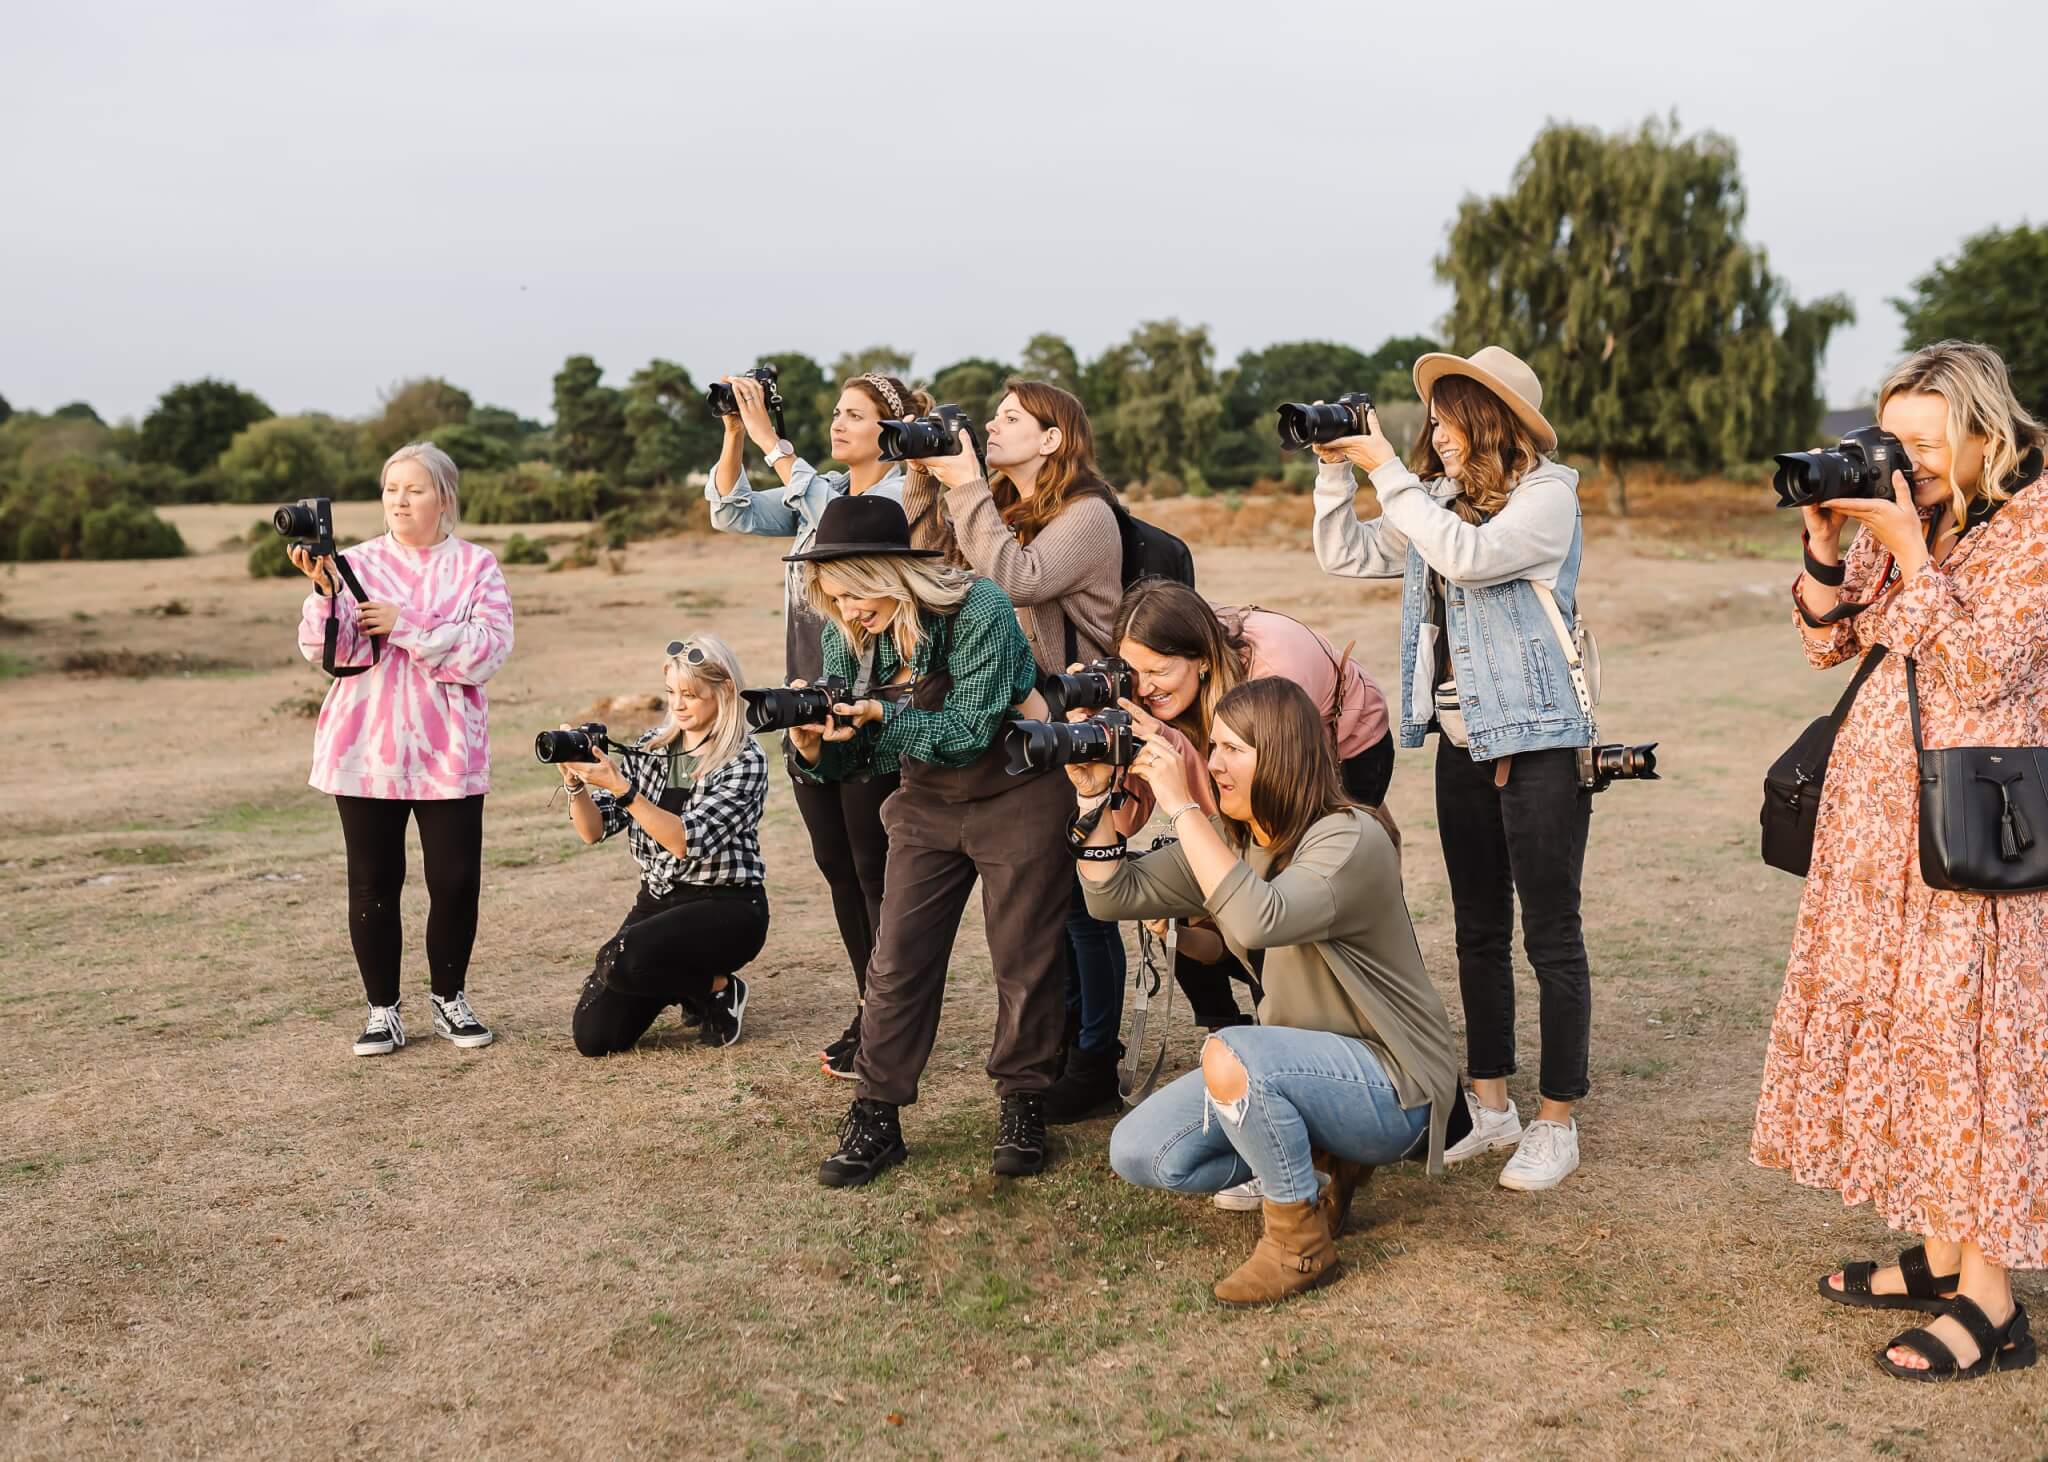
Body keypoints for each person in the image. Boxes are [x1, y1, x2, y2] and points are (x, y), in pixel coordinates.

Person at [1753, 340, 2048, 1382]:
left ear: (1985, 434)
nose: (1906, 463)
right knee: (1901, 1036)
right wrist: (1830, 540)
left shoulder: (2032, 527)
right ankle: (1934, 1252)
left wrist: (1910, 552)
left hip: (1968, 840)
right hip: (1873, 842)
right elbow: (1828, 643)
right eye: (1891, 441)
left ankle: (1990, 1305)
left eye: (1925, 445)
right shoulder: (1901, 513)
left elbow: (1978, 667)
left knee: (1962, 1051)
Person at [1310, 346, 1595, 1193]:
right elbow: (1347, 555)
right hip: (1463, 741)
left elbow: (1468, 558)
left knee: (1551, 935)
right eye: (1427, 420)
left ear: (1486, 420)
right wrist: (1337, 473)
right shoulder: (1430, 501)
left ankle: (1556, 1120)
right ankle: (1493, 1106)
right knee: (1476, 930)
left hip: (1540, 738)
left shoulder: (1551, 497)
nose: (1430, 432)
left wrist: (1387, 470)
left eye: (1443, 418)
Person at [1078, 677, 1459, 1305]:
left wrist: (1182, 808)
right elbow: (1110, 893)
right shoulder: (1237, 838)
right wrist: (1094, 800)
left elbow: (1260, 919)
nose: (1213, 764)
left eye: (1233, 750)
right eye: (1213, 747)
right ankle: (1317, 1167)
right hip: (1296, 1068)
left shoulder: (1348, 838)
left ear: (1279, 754)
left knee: (1231, 1049)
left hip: (1394, 1085)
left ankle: (1298, 1243)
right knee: (1144, 1153)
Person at [782, 493, 1075, 1188]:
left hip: (1019, 790)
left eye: (861, 588)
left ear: (899, 569)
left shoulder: (981, 609)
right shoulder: (844, 632)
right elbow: (862, 762)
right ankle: (876, 1114)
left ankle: (1023, 1102)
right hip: (926, 799)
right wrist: (816, 747)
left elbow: (971, 730)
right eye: (835, 593)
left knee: (1022, 956)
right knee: (897, 960)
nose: (851, 609)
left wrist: (881, 714)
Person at [901, 379, 1129, 1123]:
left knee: (1082, 906)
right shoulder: (1010, 510)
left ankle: (1095, 1060)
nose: (992, 428)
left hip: (1081, 723)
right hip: (1025, 720)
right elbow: (934, 568)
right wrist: (924, 478)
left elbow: (1015, 580)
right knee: (1048, 907)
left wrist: (968, 487)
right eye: (991, 418)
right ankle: (1059, 1048)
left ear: (1053, 439)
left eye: (1009, 419)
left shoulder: (1088, 517)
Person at [1086, 578, 1396, 1068]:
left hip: (1343, 749)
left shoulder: (1276, 672)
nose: (1143, 688)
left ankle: (1364, 1037)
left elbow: (1261, 807)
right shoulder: (1155, 692)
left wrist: (1177, 770)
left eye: (1158, 671)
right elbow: (1125, 823)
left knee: (1303, 904)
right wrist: (1107, 758)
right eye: (1133, 671)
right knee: (1228, 889)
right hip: (1239, 774)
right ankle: (1244, 1035)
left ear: (1203, 658)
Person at [704, 369, 914, 1078]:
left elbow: (836, 529)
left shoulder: (898, 496)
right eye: (836, 411)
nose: (838, 422)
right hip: (808, 698)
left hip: (872, 700)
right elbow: (730, 512)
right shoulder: (815, 492)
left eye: (855, 414)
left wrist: (773, 440)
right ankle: (870, 1006)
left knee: (872, 867)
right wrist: (737, 433)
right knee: (835, 868)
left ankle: (888, 1018)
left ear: (892, 429)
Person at [289, 441, 513, 1057]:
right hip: (364, 745)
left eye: (415, 489)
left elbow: (488, 652)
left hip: (448, 750)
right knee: (372, 881)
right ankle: (381, 1011)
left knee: (455, 879)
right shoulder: (353, 562)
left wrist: (407, 625)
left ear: (445, 497)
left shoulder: (476, 566)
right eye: (391, 489)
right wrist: (323, 596)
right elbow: (331, 658)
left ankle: (450, 1000)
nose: (401, 501)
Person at [556, 635, 770, 1055]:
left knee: (622, 959)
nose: (678, 705)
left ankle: (719, 989)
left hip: (726, 905)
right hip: (658, 901)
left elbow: (684, 841)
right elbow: (593, 830)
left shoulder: (745, 759)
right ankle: (693, 987)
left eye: (691, 695)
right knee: (595, 1037)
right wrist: (575, 784)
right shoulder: (653, 745)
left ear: (725, 691)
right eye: (672, 693)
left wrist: (622, 787)